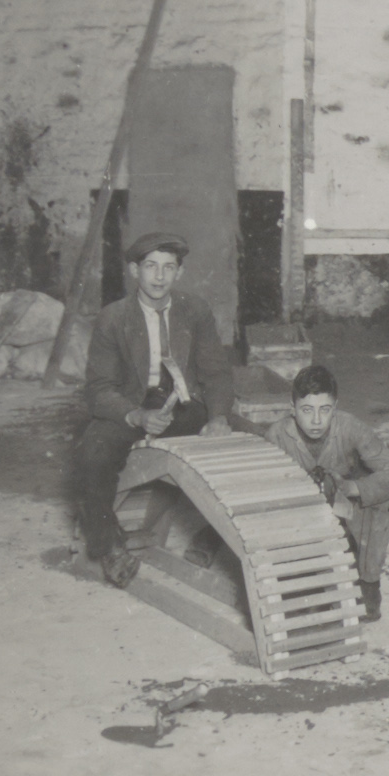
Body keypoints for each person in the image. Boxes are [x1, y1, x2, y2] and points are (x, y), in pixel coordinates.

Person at [72, 232, 234, 589]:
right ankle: (109, 546)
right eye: (150, 266)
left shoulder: (195, 310)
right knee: (91, 453)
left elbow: (217, 373)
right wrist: (136, 415)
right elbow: (98, 390)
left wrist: (219, 417)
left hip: (182, 405)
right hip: (131, 405)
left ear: (179, 272)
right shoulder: (113, 317)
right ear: (134, 270)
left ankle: (212, 538)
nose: (159, 277)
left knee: (244, 443)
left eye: (168, 267)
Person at [265, 364, 389, 622]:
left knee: (375, 505)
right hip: (301, 514)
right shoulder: (277, 435)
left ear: (336, 407)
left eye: (325, 409)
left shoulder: (351, 427)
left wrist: (356, 488)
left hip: (342, 505)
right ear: (292, 408)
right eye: (307, 410)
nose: (316, 420)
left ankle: (368, 585)